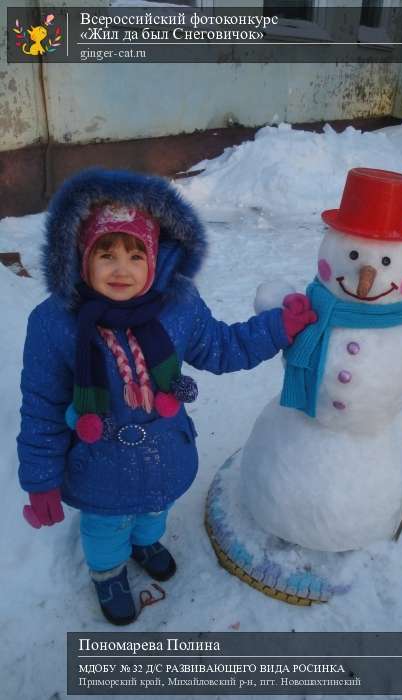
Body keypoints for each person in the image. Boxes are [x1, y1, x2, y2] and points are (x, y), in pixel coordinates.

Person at [17, 168, 316, 625]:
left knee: (156, 509)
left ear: (156, 260)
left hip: (165, 453)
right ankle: (108, 572)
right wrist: (40, 479)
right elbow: (40, 407)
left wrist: (277, 328)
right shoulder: (55, 323)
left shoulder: (178, 308)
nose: (122, 269)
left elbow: (222, 347)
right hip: (97, 466)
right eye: (107, 253)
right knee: (105, 526)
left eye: (137, 255)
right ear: (82, 257)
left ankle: (145, 540)